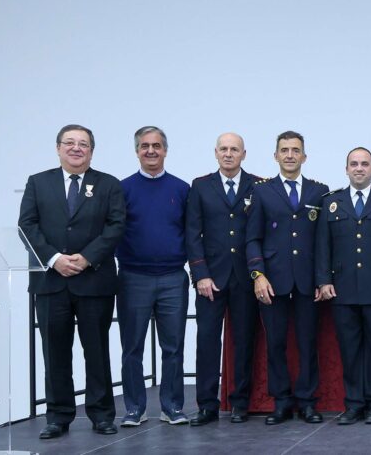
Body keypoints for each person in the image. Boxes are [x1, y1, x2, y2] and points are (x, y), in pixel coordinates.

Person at [18, 124, 126, 439]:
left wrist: (87, 257)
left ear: (91, 151)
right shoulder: (38, 182)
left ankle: (102, 415)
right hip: (51, 282)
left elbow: (116, 226)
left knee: (97, 351)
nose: (76, 148)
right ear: (58, 148)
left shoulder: (108, 184)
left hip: (94, 281)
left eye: (83, 144)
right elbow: (27, 225)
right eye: (69, 142)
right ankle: (57, 416)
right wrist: (54, 259)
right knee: (55, 353)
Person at [316, 147, 371, 425]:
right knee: (350, 350)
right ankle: (354, 404)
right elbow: (322, 246)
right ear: (346, 169)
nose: (359, 168)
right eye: (354, 164)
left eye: (364, 164)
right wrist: (323, 280)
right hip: (342, 290)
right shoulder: (332, 202)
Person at [246, 130, 329, 425]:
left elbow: (323, 241)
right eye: (284, 150)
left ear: (304, 156)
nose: (290, 155)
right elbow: (252, 238)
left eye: (295, 150)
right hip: (273, 280)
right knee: (276, 344)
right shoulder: (262, 192)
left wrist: (322, 279)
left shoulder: (319, 192)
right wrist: (258, 275)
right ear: (275, 156)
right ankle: (281, 402)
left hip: (308, 281)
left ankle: (307, 402)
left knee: (308, 344)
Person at [116, 126, 191, 426]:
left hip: (173, 277)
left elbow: (190, 232)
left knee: (173, 348)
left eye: (156, 146)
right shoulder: (122, 189)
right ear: (137, 151)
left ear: (165, 150)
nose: (151, 151)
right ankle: (135, 408)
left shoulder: (181, 189)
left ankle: (172, 406)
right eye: (145, 146)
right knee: (132, 348)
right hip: (133, 277)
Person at [185, 132, 259, 425]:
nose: (229, 154)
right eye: (224, 149)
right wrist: (200, 274)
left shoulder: (258, 185)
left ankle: (240, 402)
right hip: (211, 278)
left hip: (245, 277)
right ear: (216, 153)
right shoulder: (201, 186)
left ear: (244, 154)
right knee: (206, 341)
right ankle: (206, 405)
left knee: (244, 341)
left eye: (234, 149)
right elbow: (193, 234)